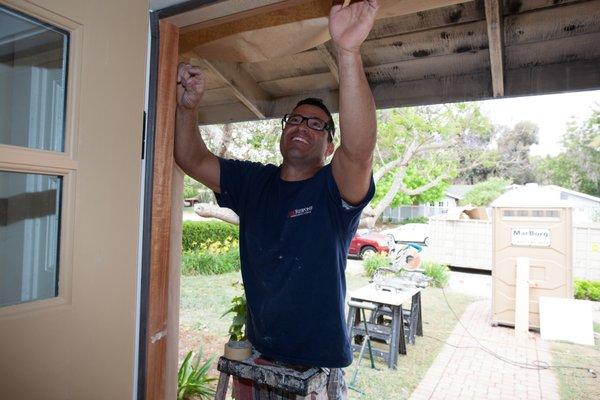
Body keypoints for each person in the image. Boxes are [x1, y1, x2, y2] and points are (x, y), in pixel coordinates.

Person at [175, 1, 379, 398]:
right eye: (296, 120)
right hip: (261, 355)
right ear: (283, 132)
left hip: (316, 367)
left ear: (328, 144)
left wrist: (349, 52)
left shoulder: (333, 189)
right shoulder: (253, 182)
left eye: (317, 124)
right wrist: (188, 108)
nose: (303, 126)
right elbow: (191, 158)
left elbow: (360, 150)